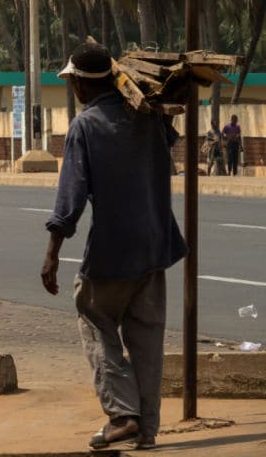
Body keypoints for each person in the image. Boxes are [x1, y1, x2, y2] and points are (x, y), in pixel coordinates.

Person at [42, 40, 186, 451]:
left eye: (72, 82)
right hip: (156, 245)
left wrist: (52, 253)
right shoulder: (149, 117)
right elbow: (167, 143)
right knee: (147, 338)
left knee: (94, 316)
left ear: (82, 86)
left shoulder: (85, 126)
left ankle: (123, 416)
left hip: (113, 252)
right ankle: (148, 429)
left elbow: (69, 199)